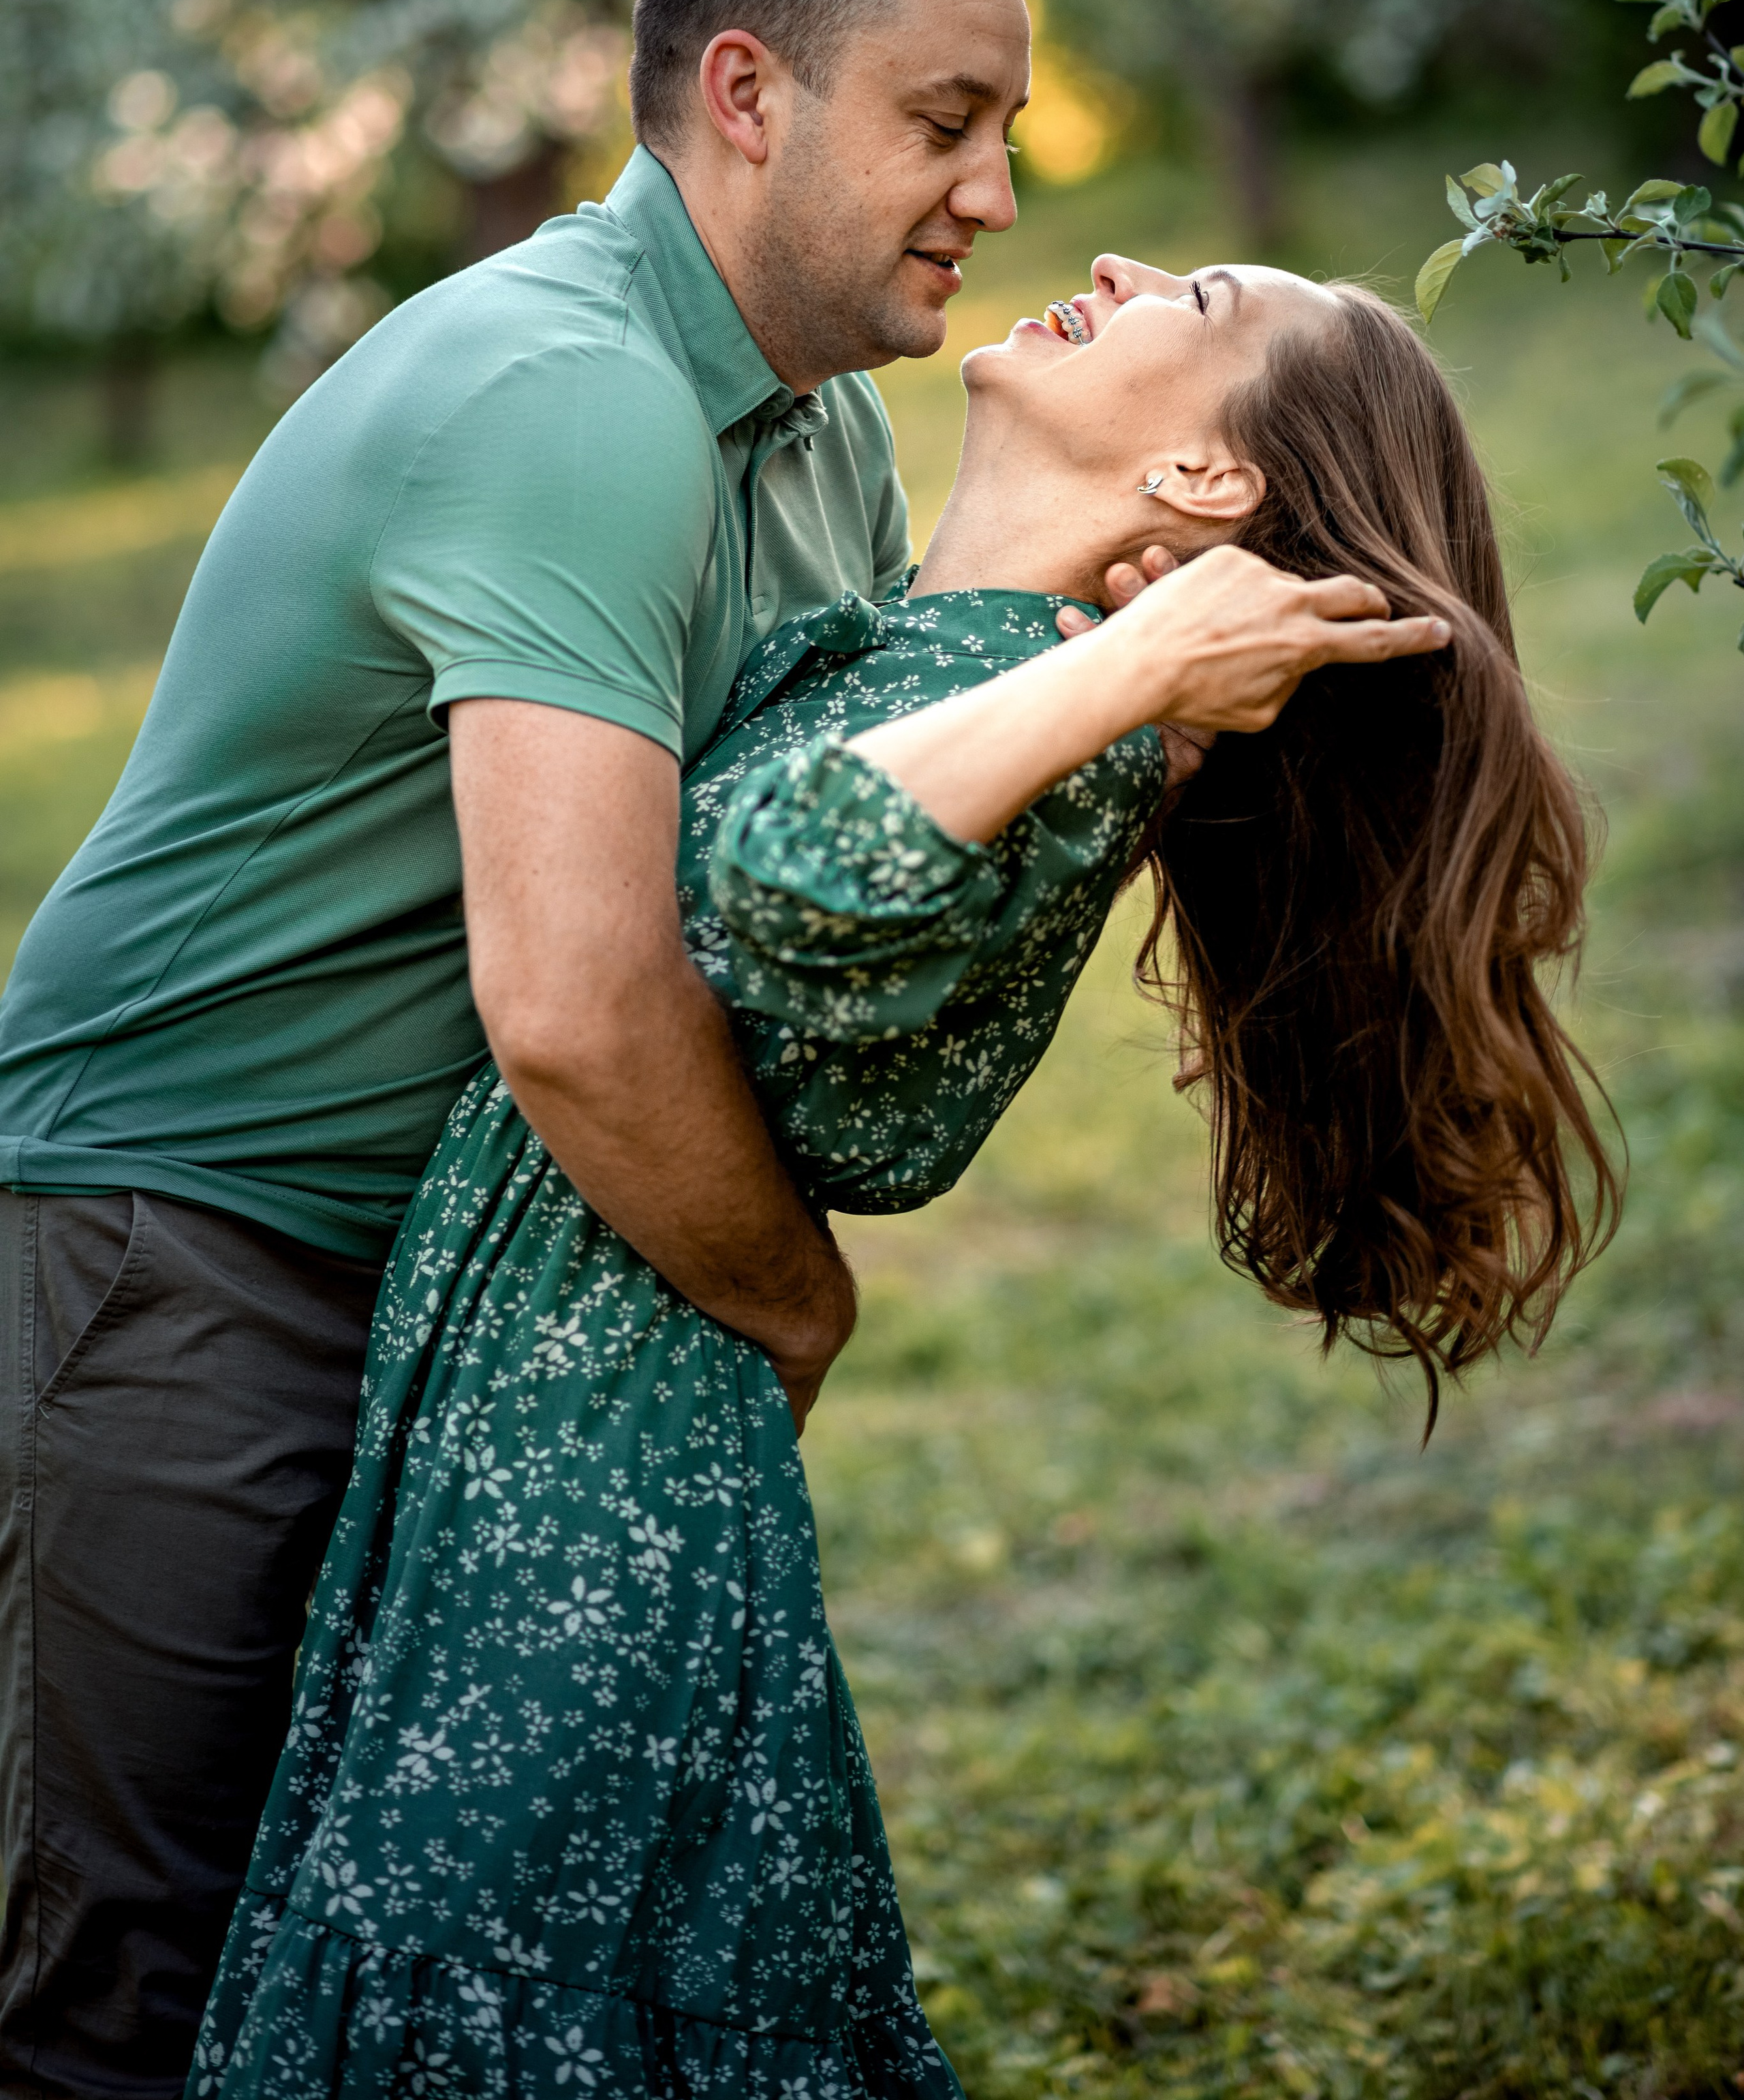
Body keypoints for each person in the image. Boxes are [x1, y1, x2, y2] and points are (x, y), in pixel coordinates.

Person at [190, 257, 1613, 2095]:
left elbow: (787, 876)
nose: (1111, 264)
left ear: (1204, 481)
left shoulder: (1060, 722)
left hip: (596, 1453)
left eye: (1192, 292)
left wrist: (1128, 669)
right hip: (545, 1399)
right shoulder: (958, 659)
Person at [0, 0, 1049, 2100]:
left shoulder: (824, 436)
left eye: (1005, 134)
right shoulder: (566, 391)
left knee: (373, 1984)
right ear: (748, 95)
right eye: (945, 121)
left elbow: (805, 898)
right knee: (134, 1988)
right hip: (186, 1242)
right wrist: (788, 1299)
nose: (993, 190)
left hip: (458, 1279)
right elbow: (576, 1003)